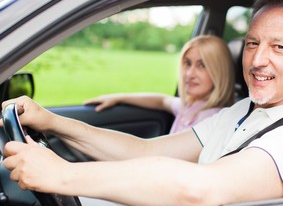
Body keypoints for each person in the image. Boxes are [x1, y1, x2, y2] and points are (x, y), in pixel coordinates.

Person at [1, 0, 283, 206]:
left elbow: (202, 188)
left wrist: (62, 175)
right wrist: (52, 121)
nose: (257, 60)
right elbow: (144, 151)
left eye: (279, 47)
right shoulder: (243, 110)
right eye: (252, 43)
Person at [84, 35, 236, 133]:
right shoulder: (190, 106)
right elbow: (162, 100)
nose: (190, 74)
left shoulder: (212, 118)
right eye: (187, 63)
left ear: (220, 72)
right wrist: (119, 97)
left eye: (202, 65)